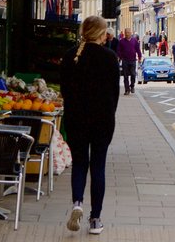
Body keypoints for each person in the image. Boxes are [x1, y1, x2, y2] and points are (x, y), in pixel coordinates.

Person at [61, 15, 119, 235]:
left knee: (79, 164)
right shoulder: (110, 57)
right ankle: (95, 220)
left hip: (76, 120)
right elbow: (114, 93)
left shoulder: (70, 57)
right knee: (98, 167)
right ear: (102, 34)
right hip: (102, 121)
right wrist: (109, 116)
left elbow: (65, 91)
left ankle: (77, 203)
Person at [116, 28, 141, 95]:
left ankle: (132, 86)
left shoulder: (134, 41)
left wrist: (139, 57)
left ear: (131, 33)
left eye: (129, 32)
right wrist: (119, 57)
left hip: (133, 60)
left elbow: (138, 49)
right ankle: (127, 90)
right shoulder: (121, 41)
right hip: (125, 60)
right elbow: (119, 50)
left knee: (133, 74)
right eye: (126, 32)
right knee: (125, 76)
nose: (127, 34)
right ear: (124, 33)